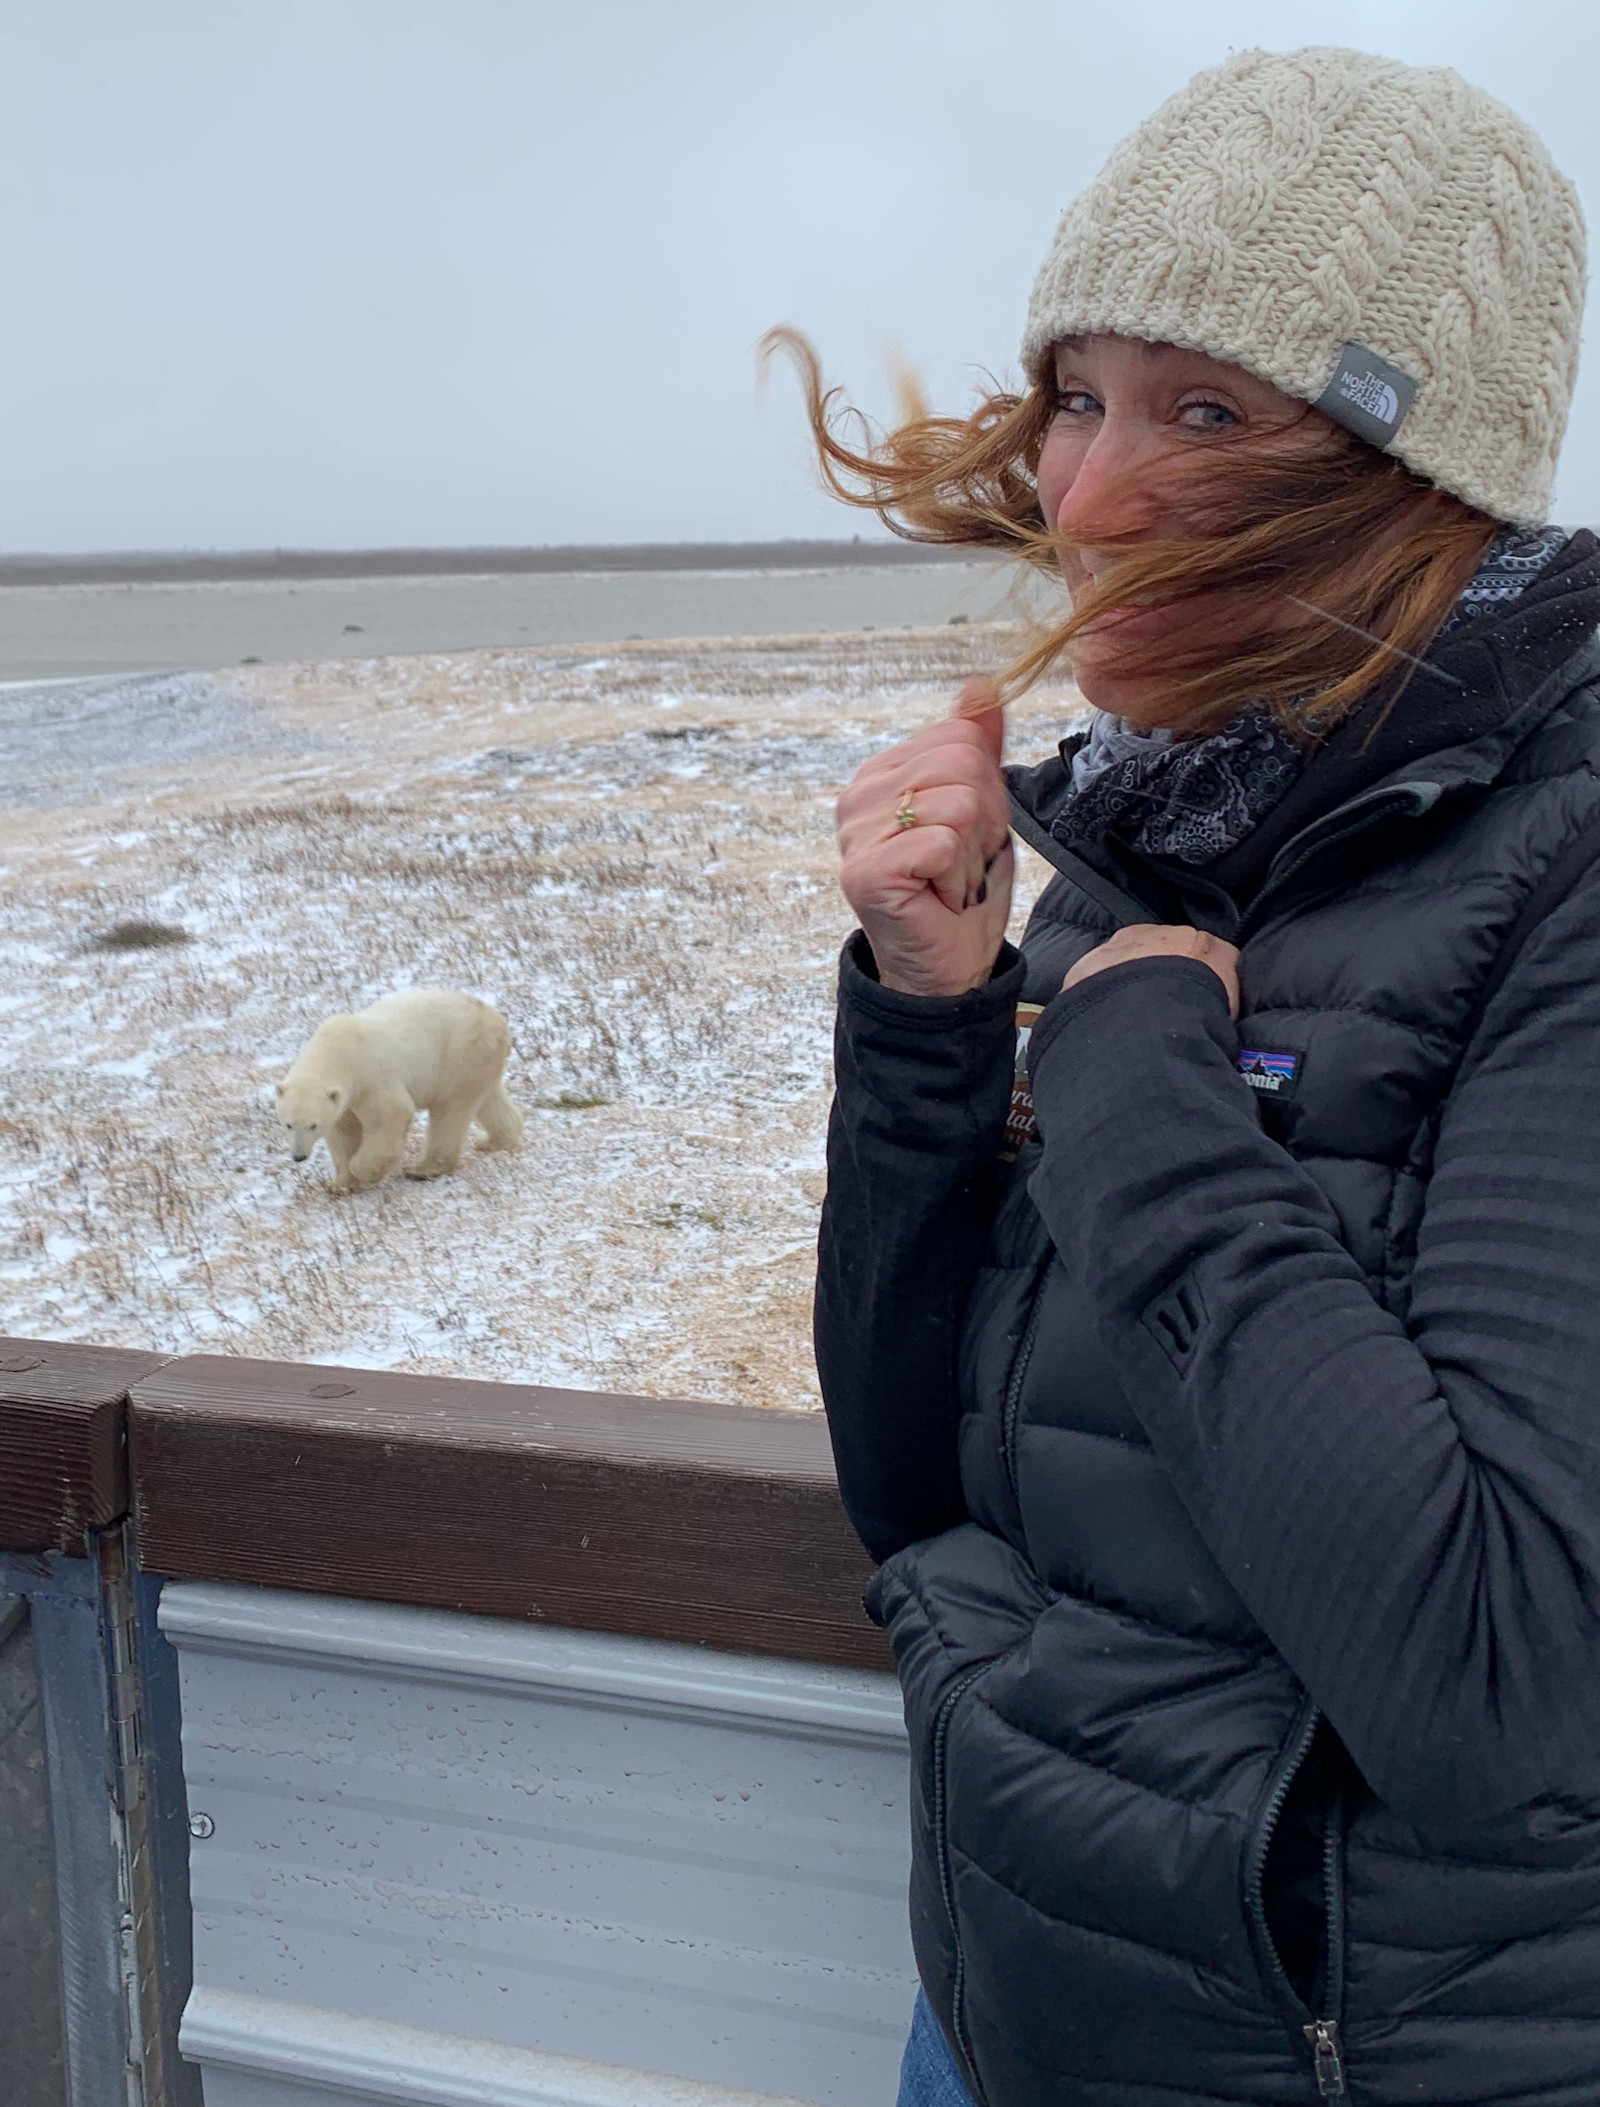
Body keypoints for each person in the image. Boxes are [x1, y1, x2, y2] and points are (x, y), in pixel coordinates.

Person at [793, 45, 1600, 2107]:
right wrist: (929, 1013)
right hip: (1001, 2010)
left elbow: (1486, 1677)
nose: (1082, 492)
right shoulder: (1157, 825)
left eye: (1205, 409)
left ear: (1409, 467)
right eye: (1076, 394)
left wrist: (1146, 1070)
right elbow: (922, 1491)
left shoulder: (1557, 868)